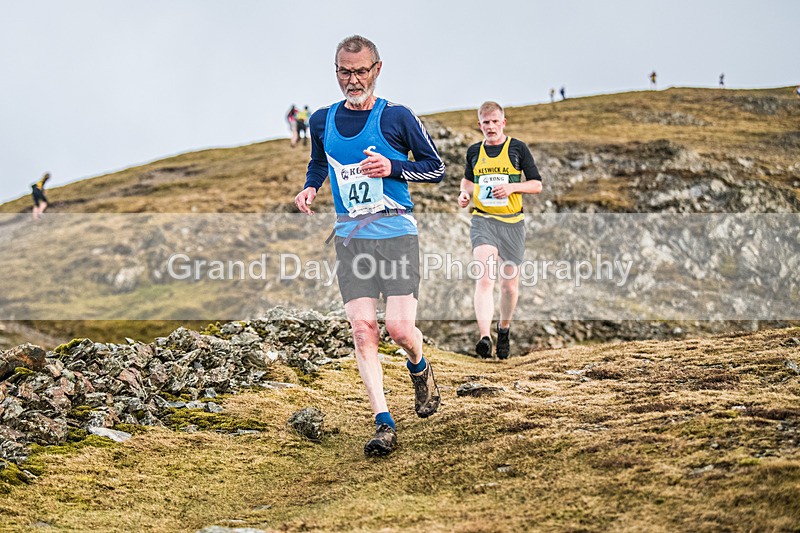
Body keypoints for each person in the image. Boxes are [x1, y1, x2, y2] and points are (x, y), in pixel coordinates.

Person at [294, 35, 445, 457]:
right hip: (350, 239)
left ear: (377, 69)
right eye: (345, 71)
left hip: (396, 233)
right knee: (363, 330)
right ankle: (383, 422)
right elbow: (320, 160)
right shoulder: (322, 119)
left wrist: (393, 166)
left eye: (361, 71)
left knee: (399, 329)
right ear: (336, 71)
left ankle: (419, 365)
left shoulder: (397, 116)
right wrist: (310, 187)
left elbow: (436, 169)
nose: (353, 79)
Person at [458, 102, 543, 359]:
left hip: (513, 224)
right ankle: (484, 338)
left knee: (509, 287)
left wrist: (512, 188)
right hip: (483, 221)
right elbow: (468, 181)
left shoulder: (517, 148)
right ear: (480, 124)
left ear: (503, 122)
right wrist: (464, 194)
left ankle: (503, 328)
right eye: (485, 123)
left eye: (495, 121)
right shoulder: (474, 152)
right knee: (485, 279)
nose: (490, 127)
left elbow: (537, 185)